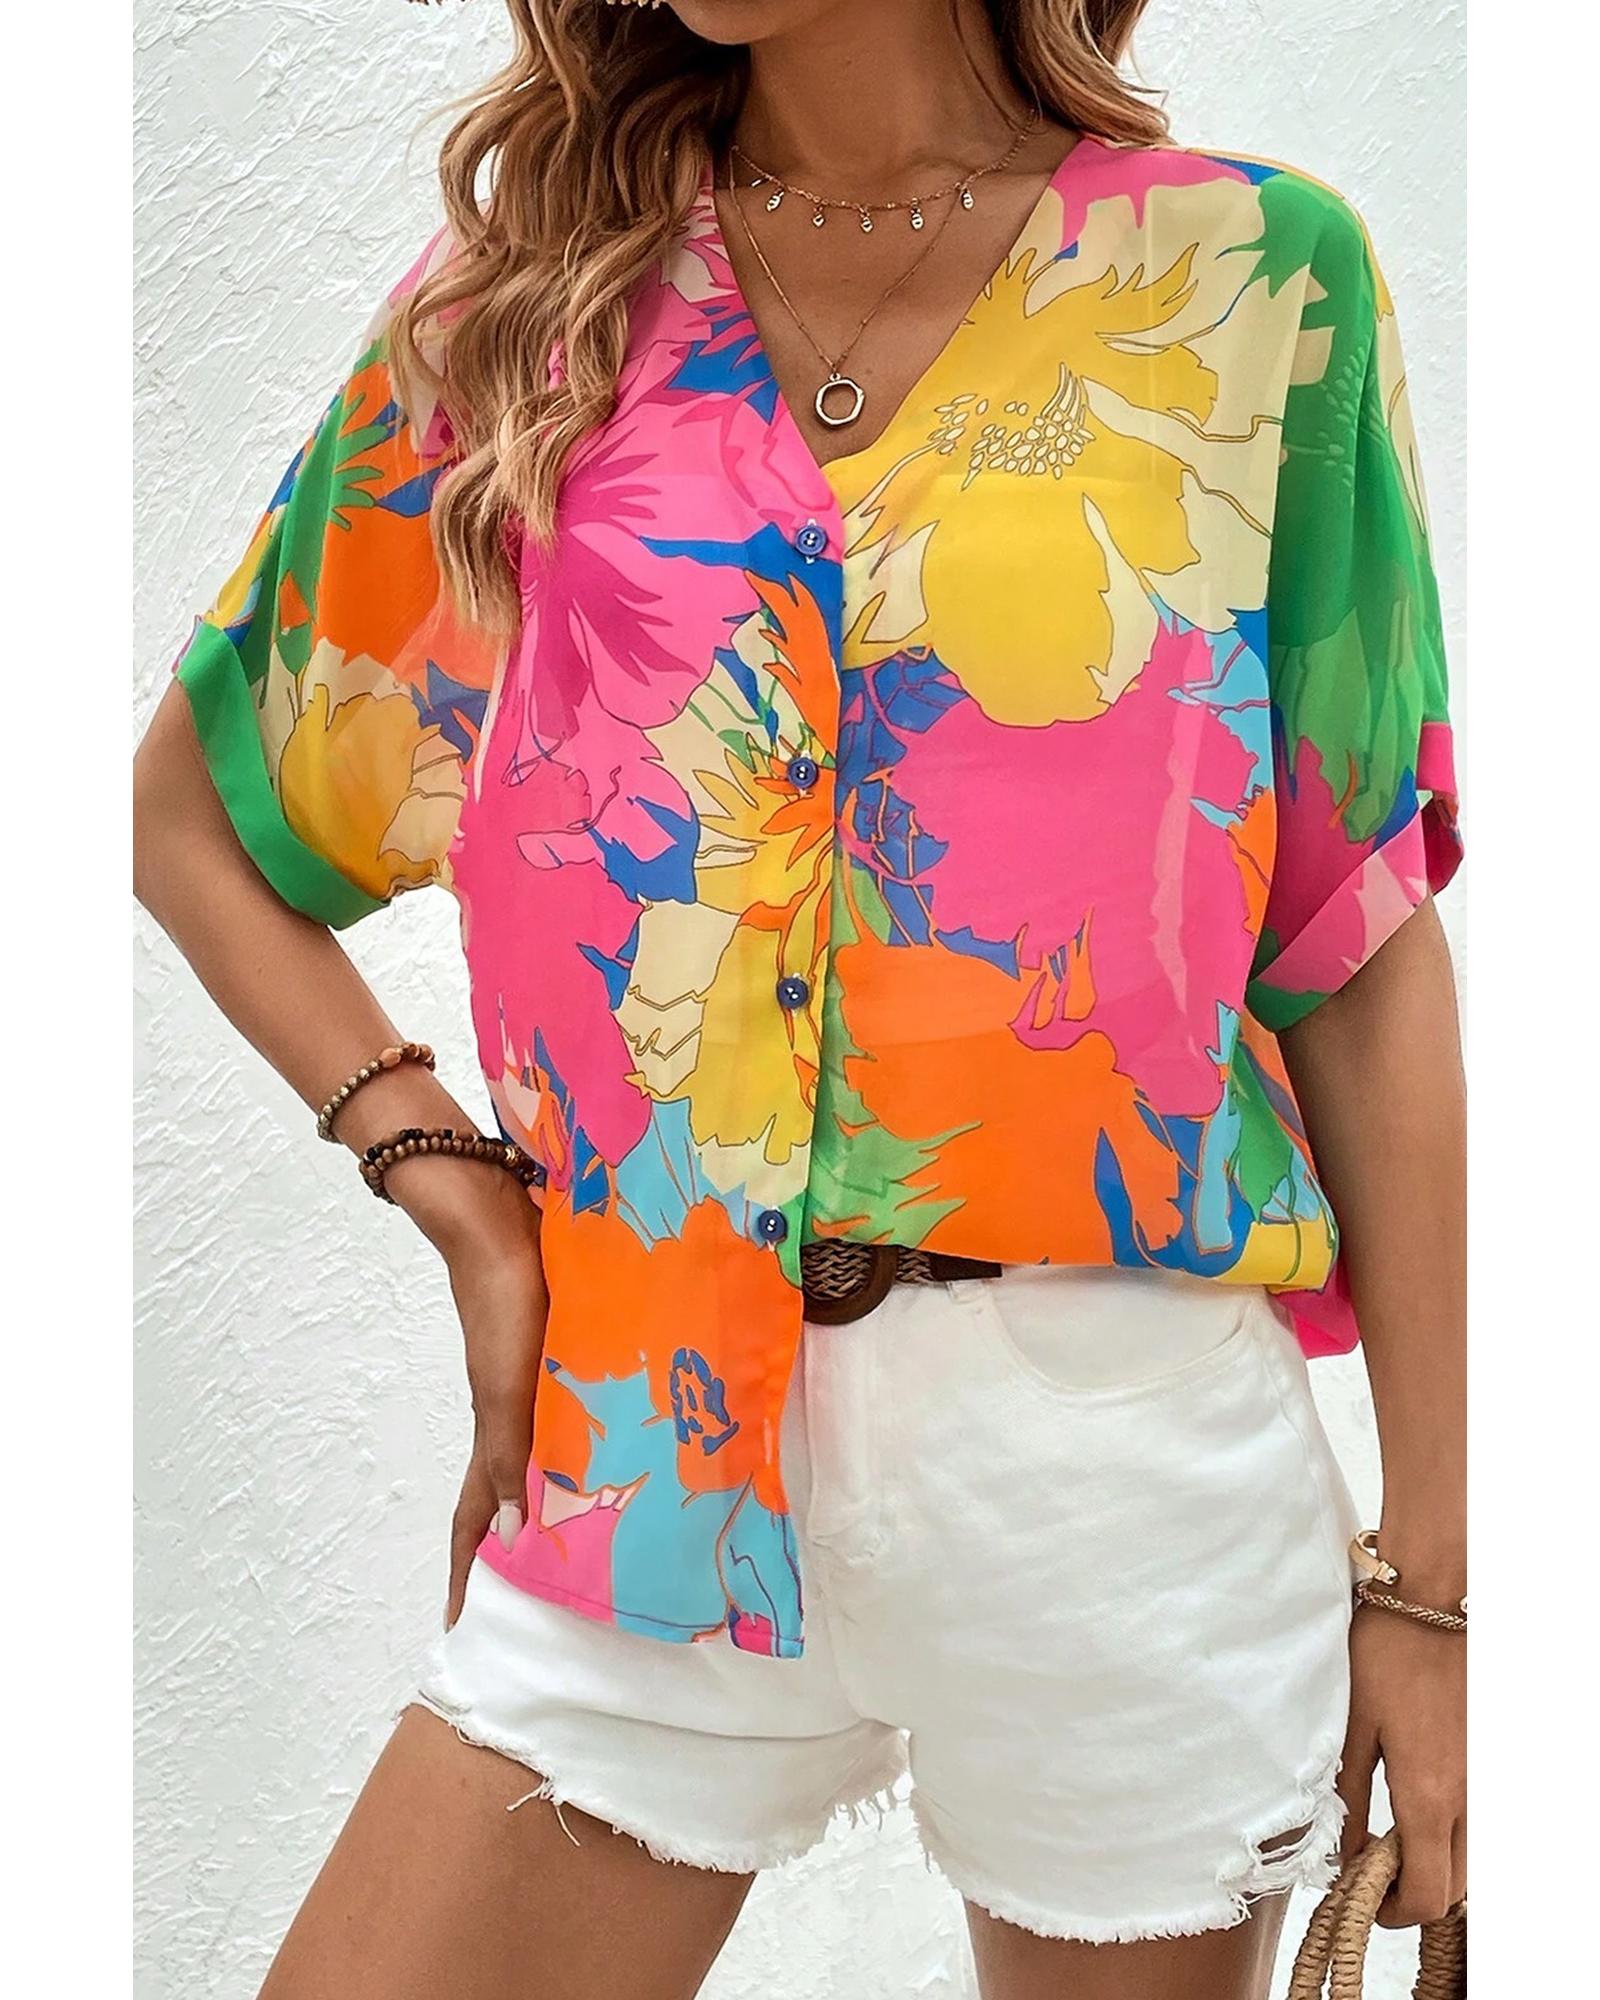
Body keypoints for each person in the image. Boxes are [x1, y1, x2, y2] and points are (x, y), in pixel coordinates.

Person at [132, 3, 1467, 1996]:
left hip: (1117, 1486)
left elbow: (1351, 954)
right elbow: (194, 815)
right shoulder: (525, 314)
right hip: (646, 1446)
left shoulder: (1255, 279)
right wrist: (451, 1189)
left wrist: (1437, 1596)